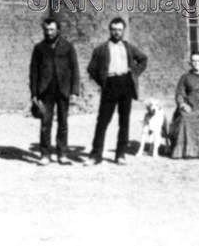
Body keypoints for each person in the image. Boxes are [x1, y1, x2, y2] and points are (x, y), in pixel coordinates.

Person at [85, 17, 148, 165]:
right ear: (110, 30)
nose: (116, 32)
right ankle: (95, 155)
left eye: (119, 30)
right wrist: (103, 81)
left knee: (124, 122)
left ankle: (120, 155)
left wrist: (134, 72)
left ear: (123, 31)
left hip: (125, 84)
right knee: (102, 121)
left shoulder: (129, 47)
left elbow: (143, 59)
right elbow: (91, 69)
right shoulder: (101, 49)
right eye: (114, 29)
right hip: (110, 85)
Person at [29, 18, 80, 165]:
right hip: (45, 91)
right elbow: (33, 72)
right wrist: (33, 93)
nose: (49, 32)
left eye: (51, 29)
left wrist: (74, 91)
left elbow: (75, 69)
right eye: (46, 29)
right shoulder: (39, 48)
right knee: (46, 122)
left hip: (63, 89)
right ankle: (45, 155)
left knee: (63, 123)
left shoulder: (68, 47)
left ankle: (62, 154)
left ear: (58, 30)